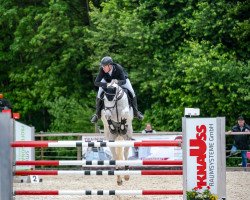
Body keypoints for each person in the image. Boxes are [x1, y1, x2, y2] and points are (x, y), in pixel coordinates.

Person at [90, 56, 144, 123]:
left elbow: (123, 81)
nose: (103, 68)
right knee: (99, 94)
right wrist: (106, 84)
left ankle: (136, 112)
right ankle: (97, 114)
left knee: (132, 92)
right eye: (102, 66)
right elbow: (96, 82)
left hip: (121, 80)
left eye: (104, 66)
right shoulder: (102, 70)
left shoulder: (118, 68)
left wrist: (117, 82)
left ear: (110, 65)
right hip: (107, 81)